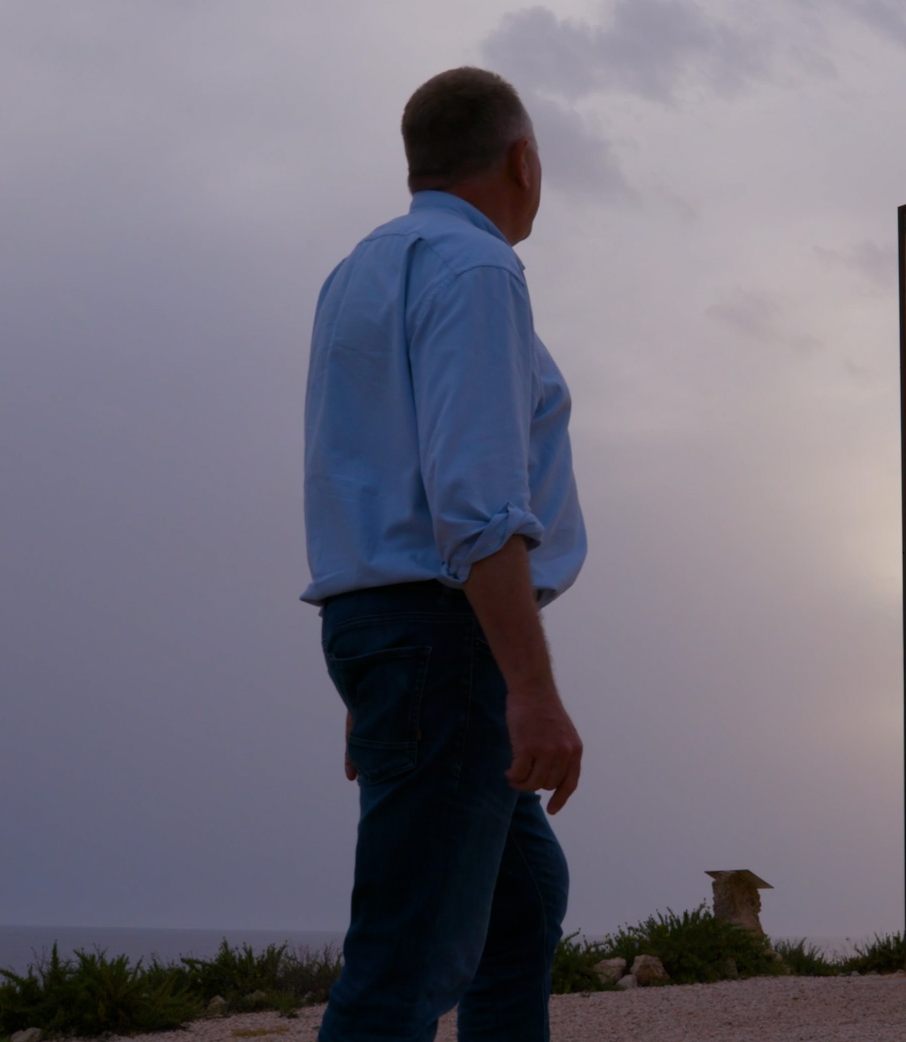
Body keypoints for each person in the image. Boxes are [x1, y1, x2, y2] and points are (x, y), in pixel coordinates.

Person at [300, 67, 586, 1042]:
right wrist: (529, 689)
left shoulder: (360, 270)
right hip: (441, 635)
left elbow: (358, 477)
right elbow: (474, 504)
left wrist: (377, 678)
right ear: (521, 159)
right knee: (404, 960)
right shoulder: (476, 270)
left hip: (388, 632)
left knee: (518, 906)